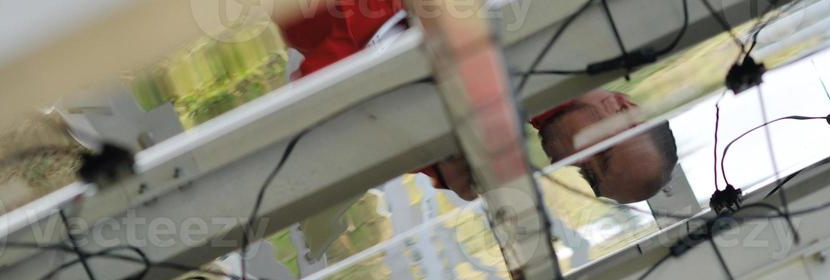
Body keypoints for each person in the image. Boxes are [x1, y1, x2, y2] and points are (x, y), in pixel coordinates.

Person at [277, 1, 679, 203]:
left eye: (588, 175)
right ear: (624, 108)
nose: (579, 162)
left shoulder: (483, 138)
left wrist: (451, 158)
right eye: (602, 155)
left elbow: (332, 115)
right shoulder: (570, 19)